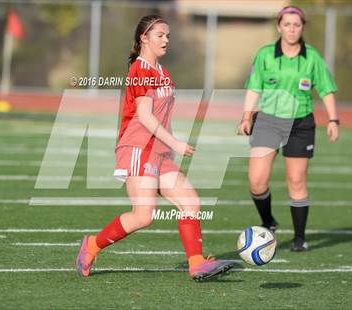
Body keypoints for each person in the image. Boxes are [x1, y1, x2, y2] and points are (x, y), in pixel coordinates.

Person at [76, 15, 234, 280]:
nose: (165, 40)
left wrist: (168, 147)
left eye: (168, 36)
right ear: (143, 38)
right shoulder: (140, 70)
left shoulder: (163, 73)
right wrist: (175, 143)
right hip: (138, 147)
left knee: (190, 202)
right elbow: (146, 117)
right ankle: (91, 245)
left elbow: (162, 117)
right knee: (143, 216)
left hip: (159, 152)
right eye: (159, 35)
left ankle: (196, 263)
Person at [238, 6, 339, 251]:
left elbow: (325, 89)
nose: (292, 29)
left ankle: (299, 239)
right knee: (256, 182)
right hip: (268, 121)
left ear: (302, 27)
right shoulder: (265, 55)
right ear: (279, 27)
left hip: (300, 124)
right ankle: (268, 221)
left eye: (296, 25)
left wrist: (333, 120)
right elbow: (254, 87)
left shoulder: (312, 57)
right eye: (287, 24)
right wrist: (246, 116)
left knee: (296, 180)